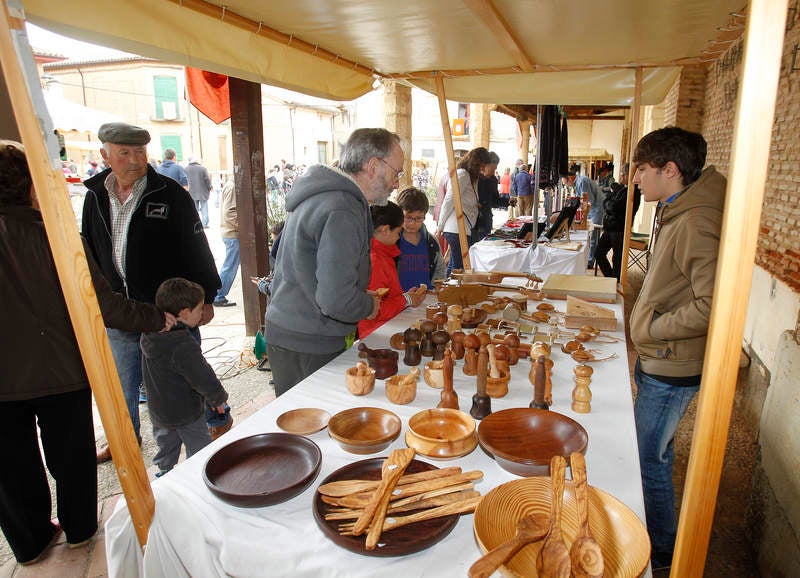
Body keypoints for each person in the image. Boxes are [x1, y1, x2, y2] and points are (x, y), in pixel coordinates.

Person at [0, 140, 171, 565]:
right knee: (71, 454)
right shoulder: (55, 236)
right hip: (62, 370)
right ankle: (78, 531)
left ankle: (30, 542)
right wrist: (157, 318)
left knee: (10, 466)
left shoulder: (57, 234)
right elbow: (104, 305)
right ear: (30, 184)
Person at [82, 122, 220, 462]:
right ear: (105, 156)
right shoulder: (95, 195)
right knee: (122, 385)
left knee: (185, 376)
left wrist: (208, 297)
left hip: (170, 311)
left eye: (140, 152)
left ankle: (206, 435)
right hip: (119, 310)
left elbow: (196, 247)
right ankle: (122, 440)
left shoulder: (170, 193)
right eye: (124, 153)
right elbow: (88, 252)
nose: (134, 160)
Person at [629, 126, 727, 571]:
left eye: (642, 169)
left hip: (672, 363)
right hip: (661, 357)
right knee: (654, 450)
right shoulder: (677, 205)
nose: (635, 179)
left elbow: (714, 304)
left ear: (671, 171)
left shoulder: (694, 219)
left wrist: (652, 327)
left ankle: (663, 552)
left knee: (649, 457)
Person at [264, 128, 401, 396]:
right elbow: (334, 300)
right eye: (397, 173)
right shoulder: (343, 208)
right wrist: (367, 303)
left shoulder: (326, 196)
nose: (396, 183)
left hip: (294, 329)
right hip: (308, 339)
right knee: (311, 428)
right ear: (373, 166)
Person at [141, 278, 230, 477]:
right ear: (185, 313)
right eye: (199, 310)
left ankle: (164, 472)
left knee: (166, 443)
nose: (201, 314)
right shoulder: (181, 343)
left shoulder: (149, 333)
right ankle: (199, 476)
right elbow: (201, 375)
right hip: (185, 412)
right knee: (200, 448)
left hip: (158, 409)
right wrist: (217, 397)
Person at [358, 202, 426, 338]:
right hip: (375, 333)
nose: (398, 237)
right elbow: (375, 308)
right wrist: (405, 299)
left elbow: (387, 294)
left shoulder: (383, 253)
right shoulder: (375, 260)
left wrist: (405, 297)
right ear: (385, 230)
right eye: (398, 232)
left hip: (386, 326)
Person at [436, 146, 492, 275]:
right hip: (456, 228)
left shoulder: (470, 176)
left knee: (454, 265)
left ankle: (447, 290)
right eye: (482, 166)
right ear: (476, 162)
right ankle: (451, 292)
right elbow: (449, 200)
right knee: (458, 267)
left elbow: (464, 199)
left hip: (461, 228)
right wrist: (440, 225)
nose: (482, 170)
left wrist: (474, 204)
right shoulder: (463, 174)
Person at [596, 163, 641, 280]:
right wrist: (610, 201)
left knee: (617, 260)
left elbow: (613, 206)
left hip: (619, 229)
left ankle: (614, 282)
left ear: (629, 175)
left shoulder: (632, 192)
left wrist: (609, 201)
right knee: (598, 253)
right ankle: (611, 278)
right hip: (610, 228)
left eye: (622, 174)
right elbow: (607, 203)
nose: (620, 176)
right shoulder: (623, 189)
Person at [396, 187, 445, 291]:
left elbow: (440, 269)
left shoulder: (431, 242)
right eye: (408, 217)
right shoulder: (392, 241)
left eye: (418, 218)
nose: (413, 223)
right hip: (400, 300)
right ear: (399, 213)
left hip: (426, 298)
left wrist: (435, 290)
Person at [569, 166, 604, 268]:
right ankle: (588, 259)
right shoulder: (580, 181)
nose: (566, 185)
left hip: (596, 209)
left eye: (565, 182)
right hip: (593, 209)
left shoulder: (582, 181)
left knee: (594, 236)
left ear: (570, 178)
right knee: (589, 236)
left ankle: (590, 261)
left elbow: (588, 200)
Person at [213, 174, 239, 307]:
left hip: (231, 232)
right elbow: (230, 213)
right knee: (230, 266)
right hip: (233, 233)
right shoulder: (233, 186)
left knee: (230, 265)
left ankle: (218, 294)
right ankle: (218, 295)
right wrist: (244, 228)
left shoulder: (230, 185)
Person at [474, 151, 500, 241]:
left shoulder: (493, 180)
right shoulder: (474, 178)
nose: (493, 172)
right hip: (474, 220)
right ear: (485, 165)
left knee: (484, 244)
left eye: (495, 169)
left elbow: (495, 201)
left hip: (486, 218)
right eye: (492, 169)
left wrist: (507, 201)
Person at [186, 155, 212, 228]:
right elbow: (207, 179)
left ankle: (196, 223)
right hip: (203, 192)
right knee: (204, 209)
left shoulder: (185, 169)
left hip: (192, 192)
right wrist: (209, 187)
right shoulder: (202, 168)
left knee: (195, 210)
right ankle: (204, 224)